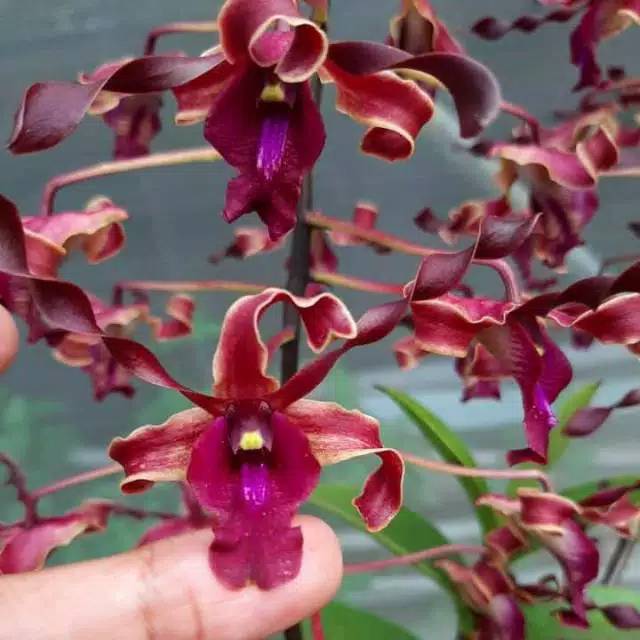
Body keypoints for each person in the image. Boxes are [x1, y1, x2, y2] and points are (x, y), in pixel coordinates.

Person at [0, 305, 343, 639]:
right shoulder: (202, 436)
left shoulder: (294, 427)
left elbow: (367, 439)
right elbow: (135, 459)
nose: (249, 441)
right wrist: (138, 475)